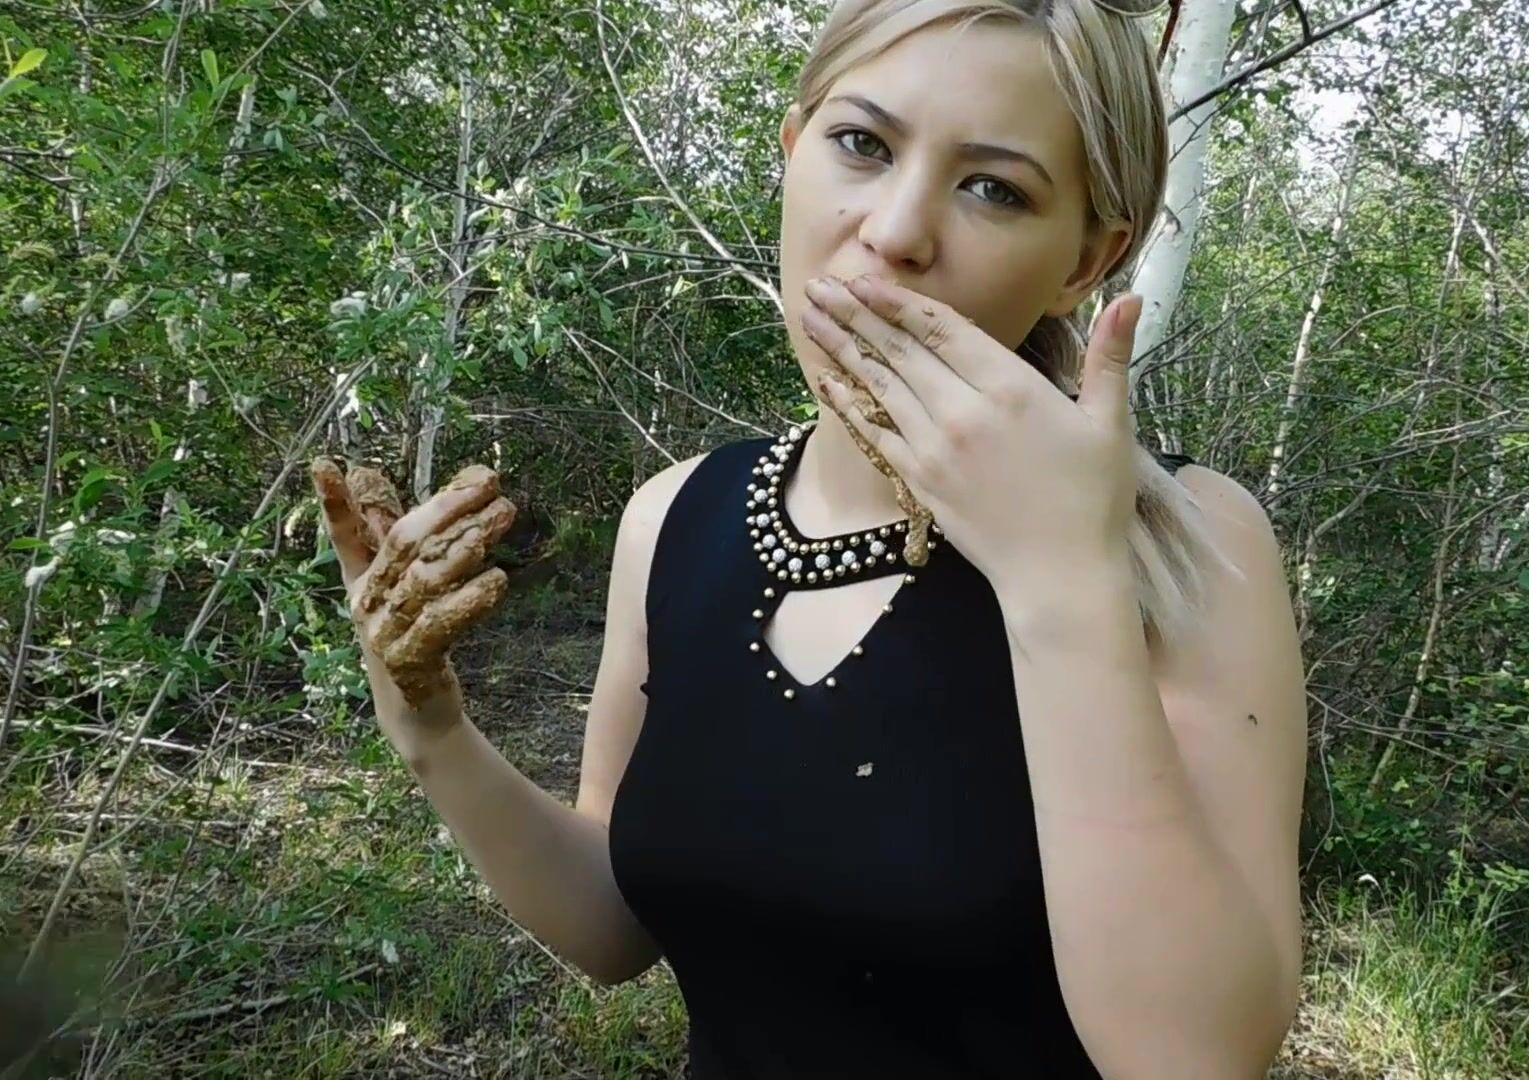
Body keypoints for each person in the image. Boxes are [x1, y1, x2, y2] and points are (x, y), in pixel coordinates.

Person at [310, 1, 1308, 1075]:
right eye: (862, 144)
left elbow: (1199, 1058)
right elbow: (612, 922)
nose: (896, 232)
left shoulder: (1187, 544)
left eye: (994, 188)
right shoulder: (674, 516)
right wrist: (428, 721)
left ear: (1086, 261)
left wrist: (1061, 580)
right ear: (791, 153)